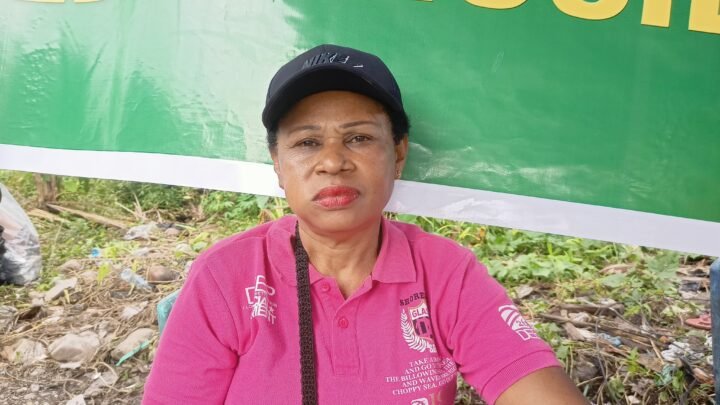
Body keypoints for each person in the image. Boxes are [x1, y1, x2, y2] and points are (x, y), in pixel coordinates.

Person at [143, 44, 587, 405]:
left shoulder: (445, 274)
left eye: (358, 138)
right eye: (307, 142)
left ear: (398, 153)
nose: (333, 162)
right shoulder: (227, 277)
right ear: (278, 163)